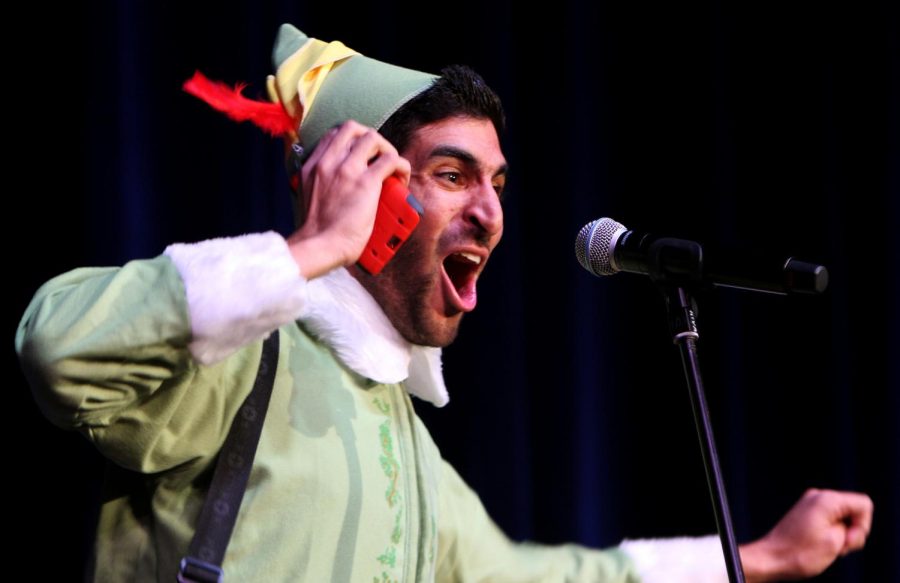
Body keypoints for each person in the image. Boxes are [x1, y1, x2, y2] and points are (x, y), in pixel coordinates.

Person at [16, 23, 872, 583]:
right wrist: (313, 248)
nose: (492, 213)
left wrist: (760, 556)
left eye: (498, 183)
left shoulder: (408, 444)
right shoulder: (240, 356)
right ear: (369, 187)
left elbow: (545, 578)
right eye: (453, 176)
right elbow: (60, 345)